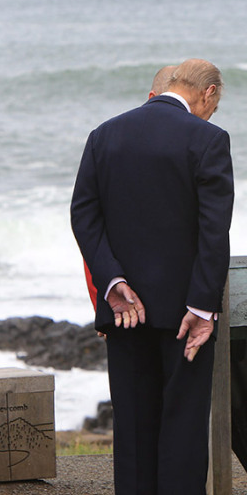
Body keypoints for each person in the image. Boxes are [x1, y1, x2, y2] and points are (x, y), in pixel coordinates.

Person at [71, 58, 234, 495]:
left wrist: (113, 281)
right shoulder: (208, 140)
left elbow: (84, 215)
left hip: (124, 312)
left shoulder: (105, 135)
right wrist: (203, 306)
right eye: (215, 104)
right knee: (182, 431)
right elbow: (213, 232)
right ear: (207, 93)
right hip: (185, 315)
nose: (210, 113)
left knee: (134, 433)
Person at [82, 64, 177, 313]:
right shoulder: (109, 142)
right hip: (122, 293)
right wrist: (100, 300)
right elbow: (92, 221)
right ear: (153, 99)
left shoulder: (105, 138)